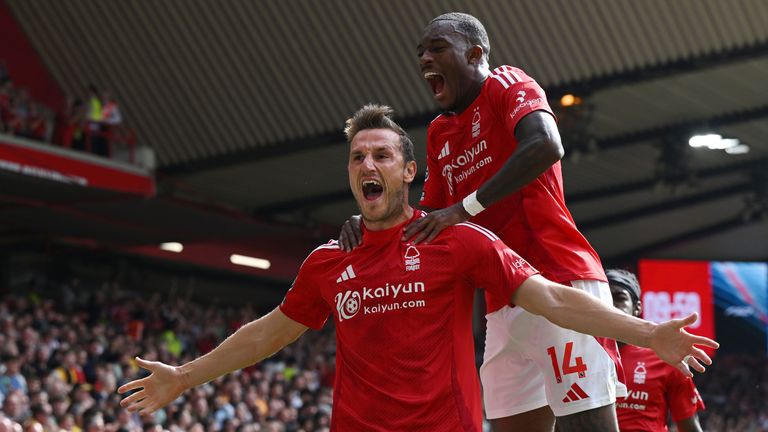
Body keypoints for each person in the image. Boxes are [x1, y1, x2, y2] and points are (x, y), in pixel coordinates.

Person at [119, 105, 717, 431]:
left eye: (382, 154)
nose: (367, 164)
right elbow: (269, 332)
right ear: (350, 176)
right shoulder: (330, 262)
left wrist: (647, 335)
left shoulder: (455, 242)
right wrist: (185, 377)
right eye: (358, 157)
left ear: (410, 172)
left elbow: (552, 299)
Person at [338, 12, 624, 431]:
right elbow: (425, 219)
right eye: (420, 53)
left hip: (558, 280)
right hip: (501, 304)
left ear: (474, 53)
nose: (424, 59)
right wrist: (369, 221)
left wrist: (464, 209)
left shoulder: (506, 84)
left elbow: (546, 143)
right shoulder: (439, 132)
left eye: (437, 48)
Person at [607, 269, 706, 432]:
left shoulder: (665, 357)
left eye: (619, 298)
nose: (610, 305)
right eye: (605, 298)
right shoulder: (578, 355)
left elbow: (690, 427)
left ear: (637, 308)